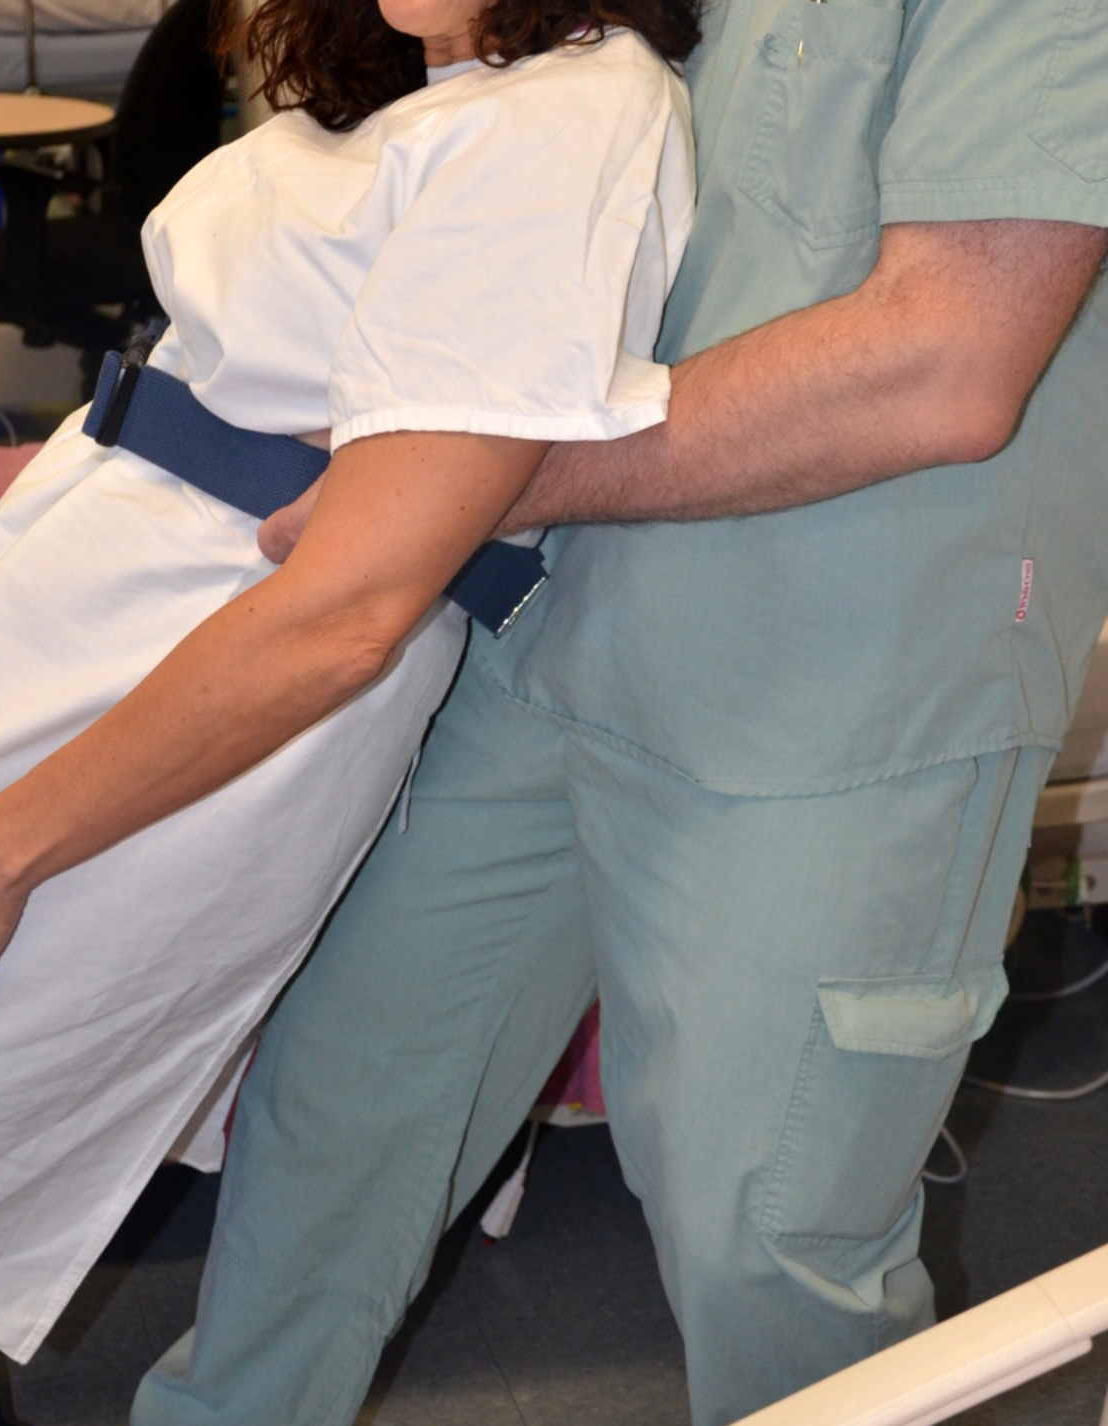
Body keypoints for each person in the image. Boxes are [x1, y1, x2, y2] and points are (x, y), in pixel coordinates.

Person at [0, 0, 702, 1415]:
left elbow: (348, 612)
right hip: (70, 655)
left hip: (177, 716)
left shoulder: (578, 112)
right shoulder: (447, 87)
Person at [131, 2, 1108, 1423]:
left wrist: (467, 484)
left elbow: (948, 361)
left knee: (761, 1244)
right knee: (331, 1121)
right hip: (552, 629)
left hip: (840, 694)